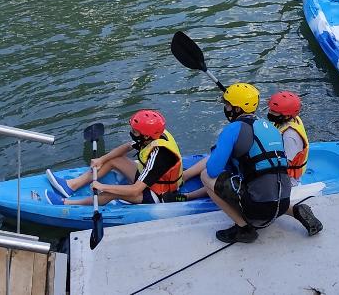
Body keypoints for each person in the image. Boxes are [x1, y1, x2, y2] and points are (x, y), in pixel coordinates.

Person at [189, 82, 322, 243]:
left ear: (237, 109)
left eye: (228, 105)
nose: (226, 108)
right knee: (268, 189)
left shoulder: (233, 129)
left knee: (205, 176)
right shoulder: (272, 128)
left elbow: (212, 170)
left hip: (257, 209)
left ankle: (244, 229)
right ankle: (296, 210)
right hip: (284, 197)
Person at [45, 109, 183, 206]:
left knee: (110, 192)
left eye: (134, 131)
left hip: (156, 194)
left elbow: (136, 189)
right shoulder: (153, 135)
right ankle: (70, 186)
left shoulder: (159, 155)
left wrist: (103, 186)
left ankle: (66, 203)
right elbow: (128, 146)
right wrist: (102, 159)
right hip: (149, 179)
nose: (131, 132)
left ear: (146, 135)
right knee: (114, 159)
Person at [266, 91, 309, 185]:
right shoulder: (291, 119)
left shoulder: (290, 136)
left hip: (288, 180)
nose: (270, 112)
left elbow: (285, 164)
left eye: (274, 111)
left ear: (287, 116)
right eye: (270, 109)